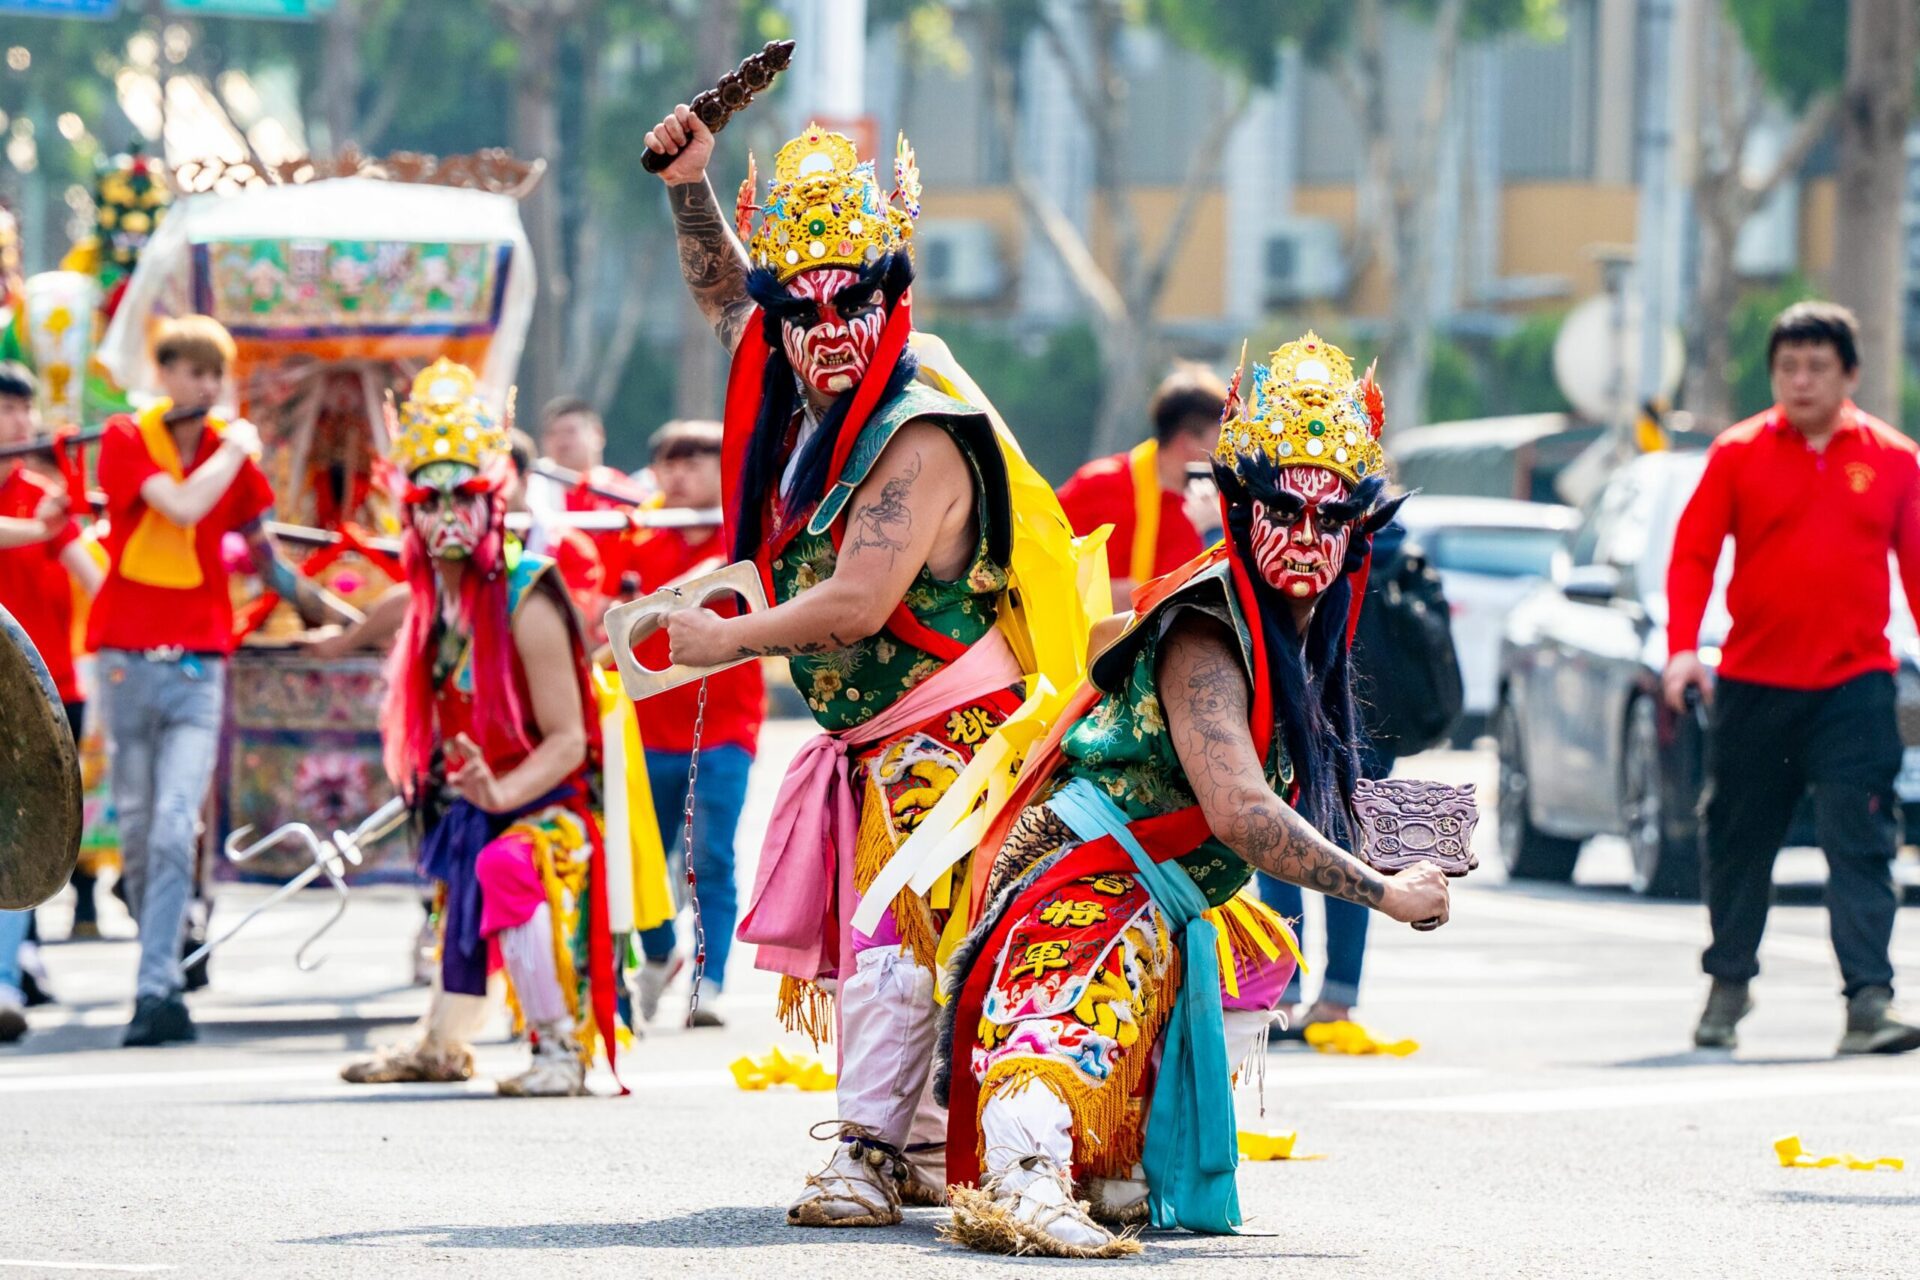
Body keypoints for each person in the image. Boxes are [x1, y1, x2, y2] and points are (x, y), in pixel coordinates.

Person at [645, 109, 1082, 1225]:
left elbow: (855, 604)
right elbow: (730, 301)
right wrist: (692, 188)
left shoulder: (917, 428)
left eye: (857, 303)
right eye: (809, 309)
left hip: (956, 736)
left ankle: (869, 1149)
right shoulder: (806, 398)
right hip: (879, 739)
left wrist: (723, 638)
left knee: (892, 936)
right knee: (902, 941)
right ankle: (926, 1138)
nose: (832, 329)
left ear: (894, 299)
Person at [938, 334, 1452, 1258]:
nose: (1304, 538)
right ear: (1242, 508)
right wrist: (1383, 893)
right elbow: (1241, 814)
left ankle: (1104, 1161)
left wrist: (1406, 839)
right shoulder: (1209, 625)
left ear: (1357, 532)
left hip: (1169, 879)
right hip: (1091, 867)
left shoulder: (1303, 626)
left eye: (1329, 518)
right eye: (1283, 511)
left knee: (1252, 964)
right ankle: (1020, 1175)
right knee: (1082, 996)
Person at [339, 359, 625, 1096]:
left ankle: (560, 1049)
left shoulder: (525, 593)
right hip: (485, 797)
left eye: (461, 496)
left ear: (494, 499)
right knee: (457, 868)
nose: (443, 518)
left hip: (553, 806)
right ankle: (443, 1043)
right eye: (426, 502)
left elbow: (569, 739)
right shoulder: (431, 602)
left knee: (504, 865)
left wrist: (500, 793)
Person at [1664, 301, 1920, 1057]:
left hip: (1855, 686)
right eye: (1787, 367)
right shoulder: (1739, 453)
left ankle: (1869, 1001)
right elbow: (1693, 556)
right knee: (1738, 843)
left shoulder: (1896, 459)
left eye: (1817, 366)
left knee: (1863, 843)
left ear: (1851, 373)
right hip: (1753, 686)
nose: (1801, 381)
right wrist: (1682, 649)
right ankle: (1728, 986)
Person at [90, 316, 350, 1048]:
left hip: (201, 663)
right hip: (125, 659)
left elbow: (269, 561)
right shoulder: (125, 437)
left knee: (176, 826)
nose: (206, 387)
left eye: (216, 375)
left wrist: (356, 617)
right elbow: (178, 506)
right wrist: (235, 449)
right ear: (165, 372)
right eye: (193, 372)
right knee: (139, 835)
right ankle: (161, 959)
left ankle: (155, 988)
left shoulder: (225, 455)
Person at [621, 420, 763, 1029]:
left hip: (724, 731)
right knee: (644, 860)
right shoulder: (635, 540)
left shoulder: (748, 535)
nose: (680, 475)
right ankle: (659, 955)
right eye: (669, 463)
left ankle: (710, 981)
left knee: (709, 857)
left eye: (696, 462)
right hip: (645, 732)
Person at [1057, 363, 1225, 610]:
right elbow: (1040, 562)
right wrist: (1094, 591)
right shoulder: (1098, 485)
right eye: (1221, 437)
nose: (1228, 450)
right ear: (1187, 442)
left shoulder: (1221, 510)